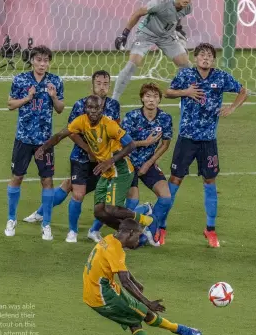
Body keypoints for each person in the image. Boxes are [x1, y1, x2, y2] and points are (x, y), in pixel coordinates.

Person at [83, 218, 202, 335]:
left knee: (137, 317)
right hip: (102, 296)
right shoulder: (115, 249)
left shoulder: (109, 239)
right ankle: (174, 334)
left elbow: (120, 268)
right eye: (138, 236)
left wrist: (136, 282)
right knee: (144, 313)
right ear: (130, 233)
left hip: (100, 289)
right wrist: (147, 302)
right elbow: (124, 282)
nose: (139, 240)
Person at [162, 43, 248, 247]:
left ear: (213, 60)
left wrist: (231, 108)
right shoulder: (186, 75)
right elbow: (167, 92)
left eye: (209, 55)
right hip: (186, 138)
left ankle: (210, 229)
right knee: (175, 180)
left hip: (209, 140)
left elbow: (243, 90)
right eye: (202, 55)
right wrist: (187, 92)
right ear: (195, 58)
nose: (206, 58)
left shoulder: (221, 77)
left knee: (210, 182)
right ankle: (161, 226)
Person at [23, 70, 120, 243]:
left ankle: (41, 212)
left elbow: (115, 131)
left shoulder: (113, 105)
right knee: (78, 193)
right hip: (82, 157)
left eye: (106, 84)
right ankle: (71, 231)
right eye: (98, 83)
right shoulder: (81, 105)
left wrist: (107, 155)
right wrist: (89, 150)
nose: (102, 87)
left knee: (70, 185)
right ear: (92, 85)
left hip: (102, 161)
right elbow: (71, 132)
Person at [35, 95, 154, 231]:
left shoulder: (109, 125)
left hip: (120, 169)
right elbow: (60, 135)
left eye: (97, 108)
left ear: (102, 109)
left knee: (112, 209)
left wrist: (110, 161)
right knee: (99, 212)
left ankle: (147, 220)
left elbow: (131, 145)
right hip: (105, 170)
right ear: (85, 108)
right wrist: (43, 148)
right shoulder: (81, 121)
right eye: (90, 107)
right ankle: (137, 231)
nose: (93, 111)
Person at [4, 45, 64, 240]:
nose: (42, 64)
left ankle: (46, 224)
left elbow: (61, 109)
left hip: (45, 142)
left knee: (47, 181)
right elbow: (10, 104)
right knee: (17, 177)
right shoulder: (20, 79)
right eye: (39, 60)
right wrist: (27, 98)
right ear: (32, 61)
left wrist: (54, 97)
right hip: (23, 139)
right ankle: (11, 219)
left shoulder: (55, 81)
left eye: (46, 60)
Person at [113, 0, 195, 100]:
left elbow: (176, 16)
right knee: (133, 64)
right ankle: (114, 100)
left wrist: (177, 28)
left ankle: (185, 96)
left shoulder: (188, 8)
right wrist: (124, 34)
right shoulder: (161, 2)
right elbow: (138, 12)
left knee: (186, 66)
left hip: (166, 37)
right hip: (146, 33)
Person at [122, 83, 173, 246]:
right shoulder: (131, 117)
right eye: (148, 96)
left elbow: (165, 144)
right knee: (131, 203)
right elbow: (123, 143)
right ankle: (143, 212)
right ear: (142, 98)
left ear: (159, 100)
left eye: (155, 96)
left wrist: (149, 163)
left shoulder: (165, 118)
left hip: (148, 163)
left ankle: (149, 230)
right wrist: (145, 142)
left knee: (166, 198)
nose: (152, 100)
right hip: (129, 163)